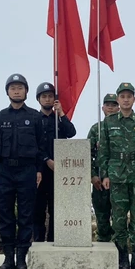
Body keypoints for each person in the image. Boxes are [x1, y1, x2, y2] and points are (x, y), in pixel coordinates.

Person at [0, 74, 46, 269]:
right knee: (6, 215)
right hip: (4, 171)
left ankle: (22, 257)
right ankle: (8, 258)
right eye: (13, 88)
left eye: (20, 88)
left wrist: (39, 170)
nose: (16, 91)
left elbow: (40, 147)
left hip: (27, 170)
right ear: (7, 92)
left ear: (26, 92)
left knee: (26, 215)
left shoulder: (34, 116)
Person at [98, 83, 135, 269]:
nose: (126, 99)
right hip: (116, 176)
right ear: (118, 100)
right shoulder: (109, 123)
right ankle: (121, 258)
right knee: (118, 219)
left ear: (133, 99)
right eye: (122, 96)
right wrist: (105, 175)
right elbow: (104, 152)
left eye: (129, 96)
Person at [34, 81, 76, 242]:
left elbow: (71, 132)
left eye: (50, 96)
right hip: (39, 170)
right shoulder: (33, 118)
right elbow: (33, 145)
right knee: (37, 209)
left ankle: (53, 241)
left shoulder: (58, 119)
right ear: (38, 99)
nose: (47, 99)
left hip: (57, 172)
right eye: (44, 96)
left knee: (55, 209)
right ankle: (37, 242)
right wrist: (46, 160)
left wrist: (62, 113)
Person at [88, 93, 119, 243]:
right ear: (103, 108)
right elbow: (87, 154)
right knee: (102, 217)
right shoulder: (96, 129)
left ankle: (121, 252)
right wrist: (92, 176)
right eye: (108, 105)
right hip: (100, 180)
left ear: (119, 107)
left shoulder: (124, 127)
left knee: (119, 218)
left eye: (114, 105)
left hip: (120, 179)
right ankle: (103, 247)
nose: (111, 108)